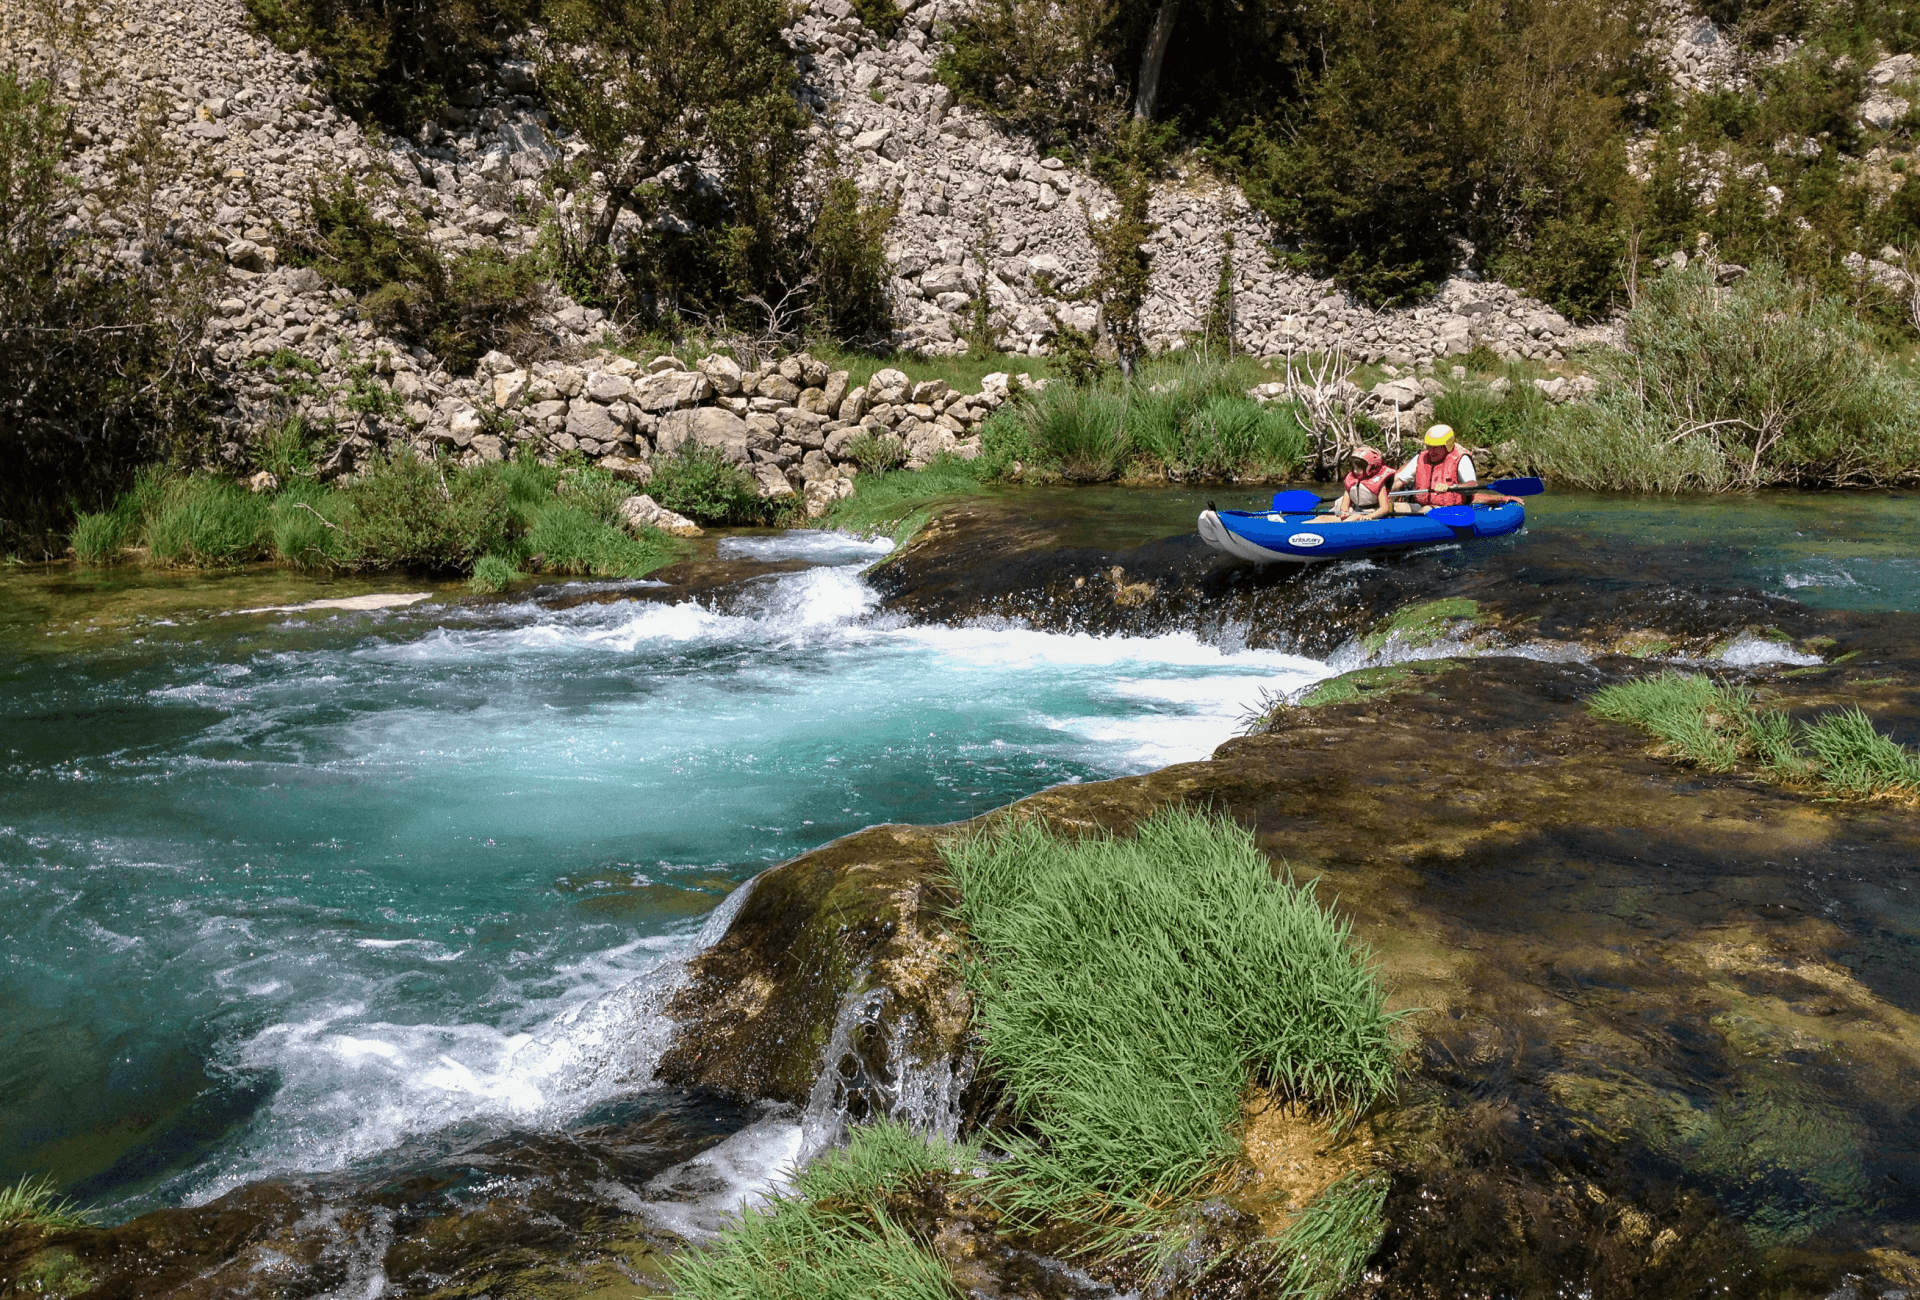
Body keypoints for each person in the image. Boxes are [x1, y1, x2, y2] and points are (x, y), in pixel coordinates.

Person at [1392, 424, 1504, 513]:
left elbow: (1472, 486)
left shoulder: (1461, 459)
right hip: (1422, 505)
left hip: (1451, 510)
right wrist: (1382, 489)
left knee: (1426, 510)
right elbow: (1399, 481)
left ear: (1447, 446)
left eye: (1436, 447)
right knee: (1395, 507)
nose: (1431, 451)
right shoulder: (1421, 458)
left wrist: (1452, 487)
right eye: (1429, 447)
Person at [1321, 445, 1394, 521]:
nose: (1355, 471)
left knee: (1354, 518)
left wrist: (1371, 516)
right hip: (1355, 510)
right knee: (1324, 518)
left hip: (1371, 513)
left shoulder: (1379, 484)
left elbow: (1384, 508)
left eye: (1359, 469)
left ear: (1371, 467)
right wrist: (1344, 512)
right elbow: (1345, 502)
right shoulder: (1351, 481)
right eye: (1354, 468)